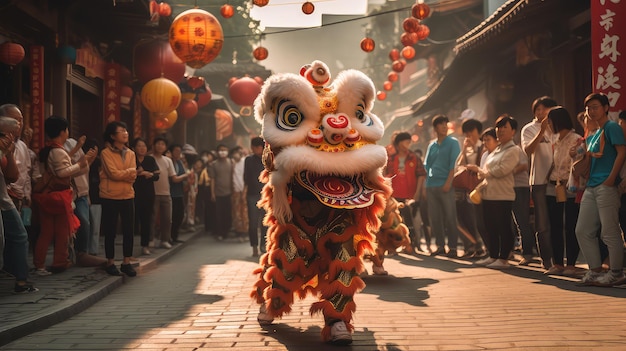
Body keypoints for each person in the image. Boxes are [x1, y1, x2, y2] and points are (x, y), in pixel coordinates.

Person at [33, 116, 95, 275]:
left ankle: (56, 262)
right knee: (55, 231)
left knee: (57, 231)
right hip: (58, 197)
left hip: (52, 196)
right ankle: (50, 262)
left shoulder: (50, 150)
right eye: (66, 129)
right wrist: (81, 164)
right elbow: (62, 173)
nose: (68, 132)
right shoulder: (58, 151)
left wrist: (85, 163)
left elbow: (69, 171)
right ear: (63, 131)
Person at [575, 93, 626, 286]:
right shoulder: (595, 132)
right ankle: (595, 270)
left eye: (595, 107)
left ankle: (616, 272)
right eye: (588, 108)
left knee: (609, 231)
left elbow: (622, 152)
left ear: (606, 108)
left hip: (606, 185)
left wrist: (611, 178)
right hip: (592, 185)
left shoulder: (612, 127)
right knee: (583, 230)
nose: (591, 111)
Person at [468, 115, 520, 269]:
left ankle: (503, 258)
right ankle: (493, 255)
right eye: (499, 127)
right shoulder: (496, 150)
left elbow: (502, 170)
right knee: (491, 226)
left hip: (503, 194)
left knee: (503, 226)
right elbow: (488, 170)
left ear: (513, 131)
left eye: (505, 127)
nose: (501, 130)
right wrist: (480, 173)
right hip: (489, 194)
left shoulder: (513, 149)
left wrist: (481, 171)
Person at [0, 116, 37, 293]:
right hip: (7, 198)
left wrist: (7, 153)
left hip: (7, 200)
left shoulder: (17, 145)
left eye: (21, 120)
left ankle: (21, 281)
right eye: (14, 120)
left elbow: (14, 175)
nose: (18, 125)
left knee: (18, 236)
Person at [521, 96, 558, 270]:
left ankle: (560, 261)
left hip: (559, 181)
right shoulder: (529, 128)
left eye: (545, 109)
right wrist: (542, 130)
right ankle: (547, 260)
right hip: (539, 181)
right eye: (538, 109)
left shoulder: (558, 126)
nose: (541, 112)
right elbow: (527, 150)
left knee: (558, 221)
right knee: (542, 223)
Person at [544, 107, 581, 275]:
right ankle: (558, 263)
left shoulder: (577, 139)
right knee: (555, 225)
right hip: (554, 186)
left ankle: (571, 263)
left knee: (571, 225)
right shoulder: (555, 139)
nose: (549, 125)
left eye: (550, 121)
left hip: (571, 186)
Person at [99, 121, 137, 277]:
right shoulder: (105, 153)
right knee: (110, 231)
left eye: (126, 130)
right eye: (122, 131)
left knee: (129, 230)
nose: (126, 133)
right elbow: (112, 174)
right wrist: (128, 172)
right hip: (110, 196)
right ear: (112, 136)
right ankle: (110, 262)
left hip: (128, 195)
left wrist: (127, 173)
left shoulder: (131, 153)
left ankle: (126, 262)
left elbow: (133, 175)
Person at [424, 115, 461, 257]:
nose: (444, 126)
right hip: (431, 185)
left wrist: (448, 183)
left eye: (446, 124)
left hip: (446, 184)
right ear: (435, 128)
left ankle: (452, 248)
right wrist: (426, 184)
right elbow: (427, 165)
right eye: (441, 124)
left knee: (451, 217)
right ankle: (440, 246)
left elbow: (454, 164)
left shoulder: (453, 142)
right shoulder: (431, 145)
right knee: (435, 218)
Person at [384, 132, 425, 253]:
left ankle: (412, 245)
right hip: (394, 195)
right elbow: (385, 174)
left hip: (410, 195)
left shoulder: (414, 157)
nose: (408, 144)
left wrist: (417, 194)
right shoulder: (390, 158)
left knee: (411, 221)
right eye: (406, 141)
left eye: (409, 141)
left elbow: (421, 175)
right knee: (394, 222)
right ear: (399, 143)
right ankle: (393, 247)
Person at [454, 119, 485, 257]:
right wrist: (465, 149)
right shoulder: (467, 148)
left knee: (478, 218)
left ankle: (482, 247)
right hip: (466, 189)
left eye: (471, 131)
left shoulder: (483, 146)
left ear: (478, 131)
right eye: (467, 132)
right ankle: (474, 246)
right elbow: (459, 165)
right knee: (466, 218)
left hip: (479, 187)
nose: (469, 134)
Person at [131, 137, 159, 255]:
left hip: (148, 194)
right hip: (132, 193)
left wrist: (148, 174)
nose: (142, 148)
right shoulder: (131, 158)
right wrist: (141, 173)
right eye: (139, 146)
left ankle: (145, 245)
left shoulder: (150, 160)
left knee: (146, 220)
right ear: (134, 148)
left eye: (144, 146)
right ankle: (129, 247)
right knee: (132, 221)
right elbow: (130, 173)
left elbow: (157, 175)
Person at [151, 137, 176, 249]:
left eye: (162, 144)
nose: (160, 146)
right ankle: (150, 239)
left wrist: (186, 176)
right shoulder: (149, 159)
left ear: (165, 147)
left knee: (167, 218)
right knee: (152, 218)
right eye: (158, 143)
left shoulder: (168, 160)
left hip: (166, 193)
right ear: (154, 145)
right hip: (153, 193)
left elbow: (173, 177)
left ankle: (165, 239)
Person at [244, 137, 268, 257]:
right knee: (253, 222)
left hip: (265, 195)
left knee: (264, 222)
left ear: (260, 147)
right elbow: (246, 177)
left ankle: (263, 245)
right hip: (252, 194)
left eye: (254, 147)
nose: (253, 149)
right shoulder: (248, 160)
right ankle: (254, 246)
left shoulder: (267, 159)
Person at [209, 144, 233, 241]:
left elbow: (232, 177)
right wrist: (212, 193)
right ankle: (220, 232)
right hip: (218, 192)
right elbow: (212, 180)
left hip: (229, 192)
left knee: (228, 213)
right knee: (219, 214)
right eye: (221, 150)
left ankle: (226, 231)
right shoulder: (213, 164)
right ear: (217, 152)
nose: (222, 152)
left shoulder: (231, 162)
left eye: (224, 150)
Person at [168, 144, 188, 244]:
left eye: (179, 151)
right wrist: (185, 175)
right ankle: (169, 237)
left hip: (179, 193)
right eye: (176, 151)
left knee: (179, 215)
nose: (178, 153)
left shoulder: (180, 163)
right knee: (170, 216)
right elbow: (174, 178)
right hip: (170, 193)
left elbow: (184, 175)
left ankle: (175, 236)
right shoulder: (169, 162)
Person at [231, 145, 248, 242]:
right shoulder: (232, 163)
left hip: (244, 189)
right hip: (235, 190)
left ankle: (245, 232)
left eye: (237, 153)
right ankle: (239, 232)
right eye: (234, 153)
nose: (235, 155)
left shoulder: (245, 161)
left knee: (244, 212)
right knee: (236, 212)